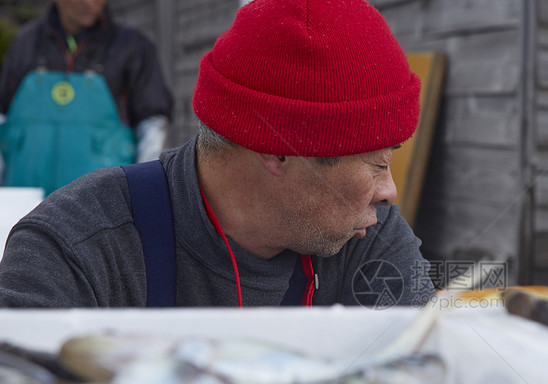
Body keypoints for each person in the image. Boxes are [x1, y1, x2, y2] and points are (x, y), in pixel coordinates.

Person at [0, 0, 432, 308]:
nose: (389, 191)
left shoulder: (366, 239)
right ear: (277, 151)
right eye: (377, 164)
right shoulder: (76, 248)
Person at [0, 0, 173, 195]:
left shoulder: (133, 47)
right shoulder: (25, 41)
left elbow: (152, 128)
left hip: (101, 210)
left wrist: (145, 192)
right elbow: (3, 118)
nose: (89, 2)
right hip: (24, 203)